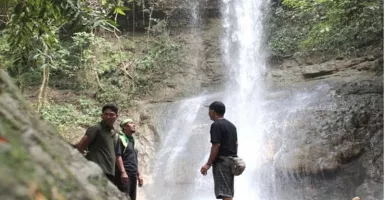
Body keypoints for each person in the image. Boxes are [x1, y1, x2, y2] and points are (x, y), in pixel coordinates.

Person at [200, 101, 238, 200]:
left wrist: (208, 164)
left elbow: (216, 146)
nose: (208, 113)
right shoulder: (232, 126)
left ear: (213, 112)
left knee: (225, 193)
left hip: (222, 162)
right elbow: (236, 144)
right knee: (228, 192)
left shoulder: (216, 125)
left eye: (209, 111)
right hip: (232, 161)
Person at [76, 104, 119, 182]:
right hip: (96, 171)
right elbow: (81, 146)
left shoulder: (113, 133)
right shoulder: (97, 128)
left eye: (111, 115)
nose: (108, 117)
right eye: (106, 114)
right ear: (102, 116)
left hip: (109, 173)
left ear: (116, 116)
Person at [115, 118, 143, 200]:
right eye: (131, 123)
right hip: (125, 174)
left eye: (134, 123)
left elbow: (134, 159)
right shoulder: (120, 139)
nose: (134, 125)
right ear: (125, 127)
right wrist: (123, 172)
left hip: (133, 174)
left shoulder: (131, 140)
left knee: (132, 197)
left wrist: (139, 174)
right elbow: (118, 156)